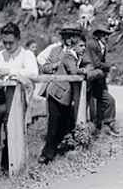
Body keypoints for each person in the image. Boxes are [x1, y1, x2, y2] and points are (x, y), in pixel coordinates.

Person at [0, 22, 39, 182]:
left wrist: (9, 71)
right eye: (4, 42)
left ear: (18, 39)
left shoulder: (27, 55)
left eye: (10, 43)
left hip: (15, 99)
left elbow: (33, 73)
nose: (7, 46)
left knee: (12, 136)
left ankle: (9, 171)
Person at [37, 25, 88, 164]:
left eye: (72, 35)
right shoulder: (55, 50)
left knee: (66, 123)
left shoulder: (80, 52)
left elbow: (88, 65)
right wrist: (58, 65)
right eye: (66, 35)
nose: (69, 38)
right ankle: (47, 154)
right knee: (54, 122)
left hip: (69, 94)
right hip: (56, 91)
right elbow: (45, 68)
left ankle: (62, 147)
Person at [84, 24, 120, 135]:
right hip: (88, 79)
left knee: (108, 101)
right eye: (104, 35)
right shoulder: (92, 45)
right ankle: (85, 129)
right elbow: (96, 63)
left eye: (108, 35)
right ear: (98, 35)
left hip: (98, 79)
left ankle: (106, 125)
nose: (107, 37)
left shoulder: (102, 46)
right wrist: (109, 66)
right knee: (86, 104)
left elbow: (100, 63)